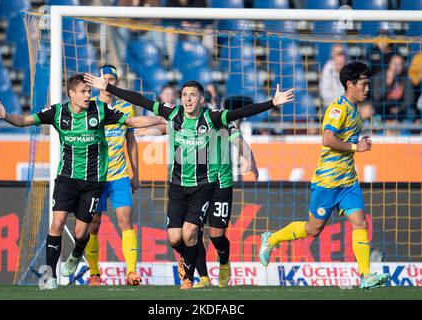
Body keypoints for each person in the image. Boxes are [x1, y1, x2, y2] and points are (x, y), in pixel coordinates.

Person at [84, 73, 294, 289]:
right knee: (175, 238)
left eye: (192, 95)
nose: (187, 99)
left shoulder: (214, 118)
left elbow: (240, 115)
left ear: (202, 100)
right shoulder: (174, 114)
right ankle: (194, 268)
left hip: (208, 185)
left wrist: (272, 103)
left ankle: (195, 275)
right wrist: (109, 87)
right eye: (184, 95)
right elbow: (141, 101)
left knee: (204, 234)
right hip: (177, 187)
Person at [0, 74, 164, 290]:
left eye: (88, 91)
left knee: (83, 233)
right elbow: (25, 121)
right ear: (71, 94)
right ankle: (50, 276)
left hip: (93, 182)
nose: (87, 95)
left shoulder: (100, 110)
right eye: (83, 92)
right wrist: (7, 116)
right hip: (67, 178)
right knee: (57, 223)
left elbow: (131, 122)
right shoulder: (57, 112)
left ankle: (76, 253)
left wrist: (161, 117)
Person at [258, 62, 391, 290]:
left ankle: (366, 275)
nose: (367, 88)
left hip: (348, 181)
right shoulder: (337, 109)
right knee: (313, 230)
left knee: (360, 222)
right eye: (364, 84)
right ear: (350, 84)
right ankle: (270, 239)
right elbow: (327, 139)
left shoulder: (355, 109)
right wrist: (355, 147)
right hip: (327, 181)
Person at [85, 65, 145, 287]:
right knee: (94, 224)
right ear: (96, 81)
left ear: (116, 83)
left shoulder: (126, 108)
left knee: (125, 220)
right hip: (95, 177)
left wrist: (136, 174)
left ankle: (131, 272)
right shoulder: (88, 105)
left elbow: (131, 141)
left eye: (111, 79)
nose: (107, 82)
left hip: (119, 175)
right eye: (104, 78)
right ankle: (94, 273)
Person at [192, 122, 259, 288]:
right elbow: (167, 125)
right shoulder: (185, 118)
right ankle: (203, 277)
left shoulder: (222, 119)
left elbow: (238, 140)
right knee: (194, 231)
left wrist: (250, 160)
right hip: (195, 183)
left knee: (217, 236)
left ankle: (223, 262)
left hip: (220, 184)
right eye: (187, 95)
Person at [319, 44, 347, 111]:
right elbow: (325, 94)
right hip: (331, 106)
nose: (340, 58)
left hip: (348, 106)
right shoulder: (328, 68)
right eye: (337, 54)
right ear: (333, 57)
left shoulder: (350, 68)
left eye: (342, 54)